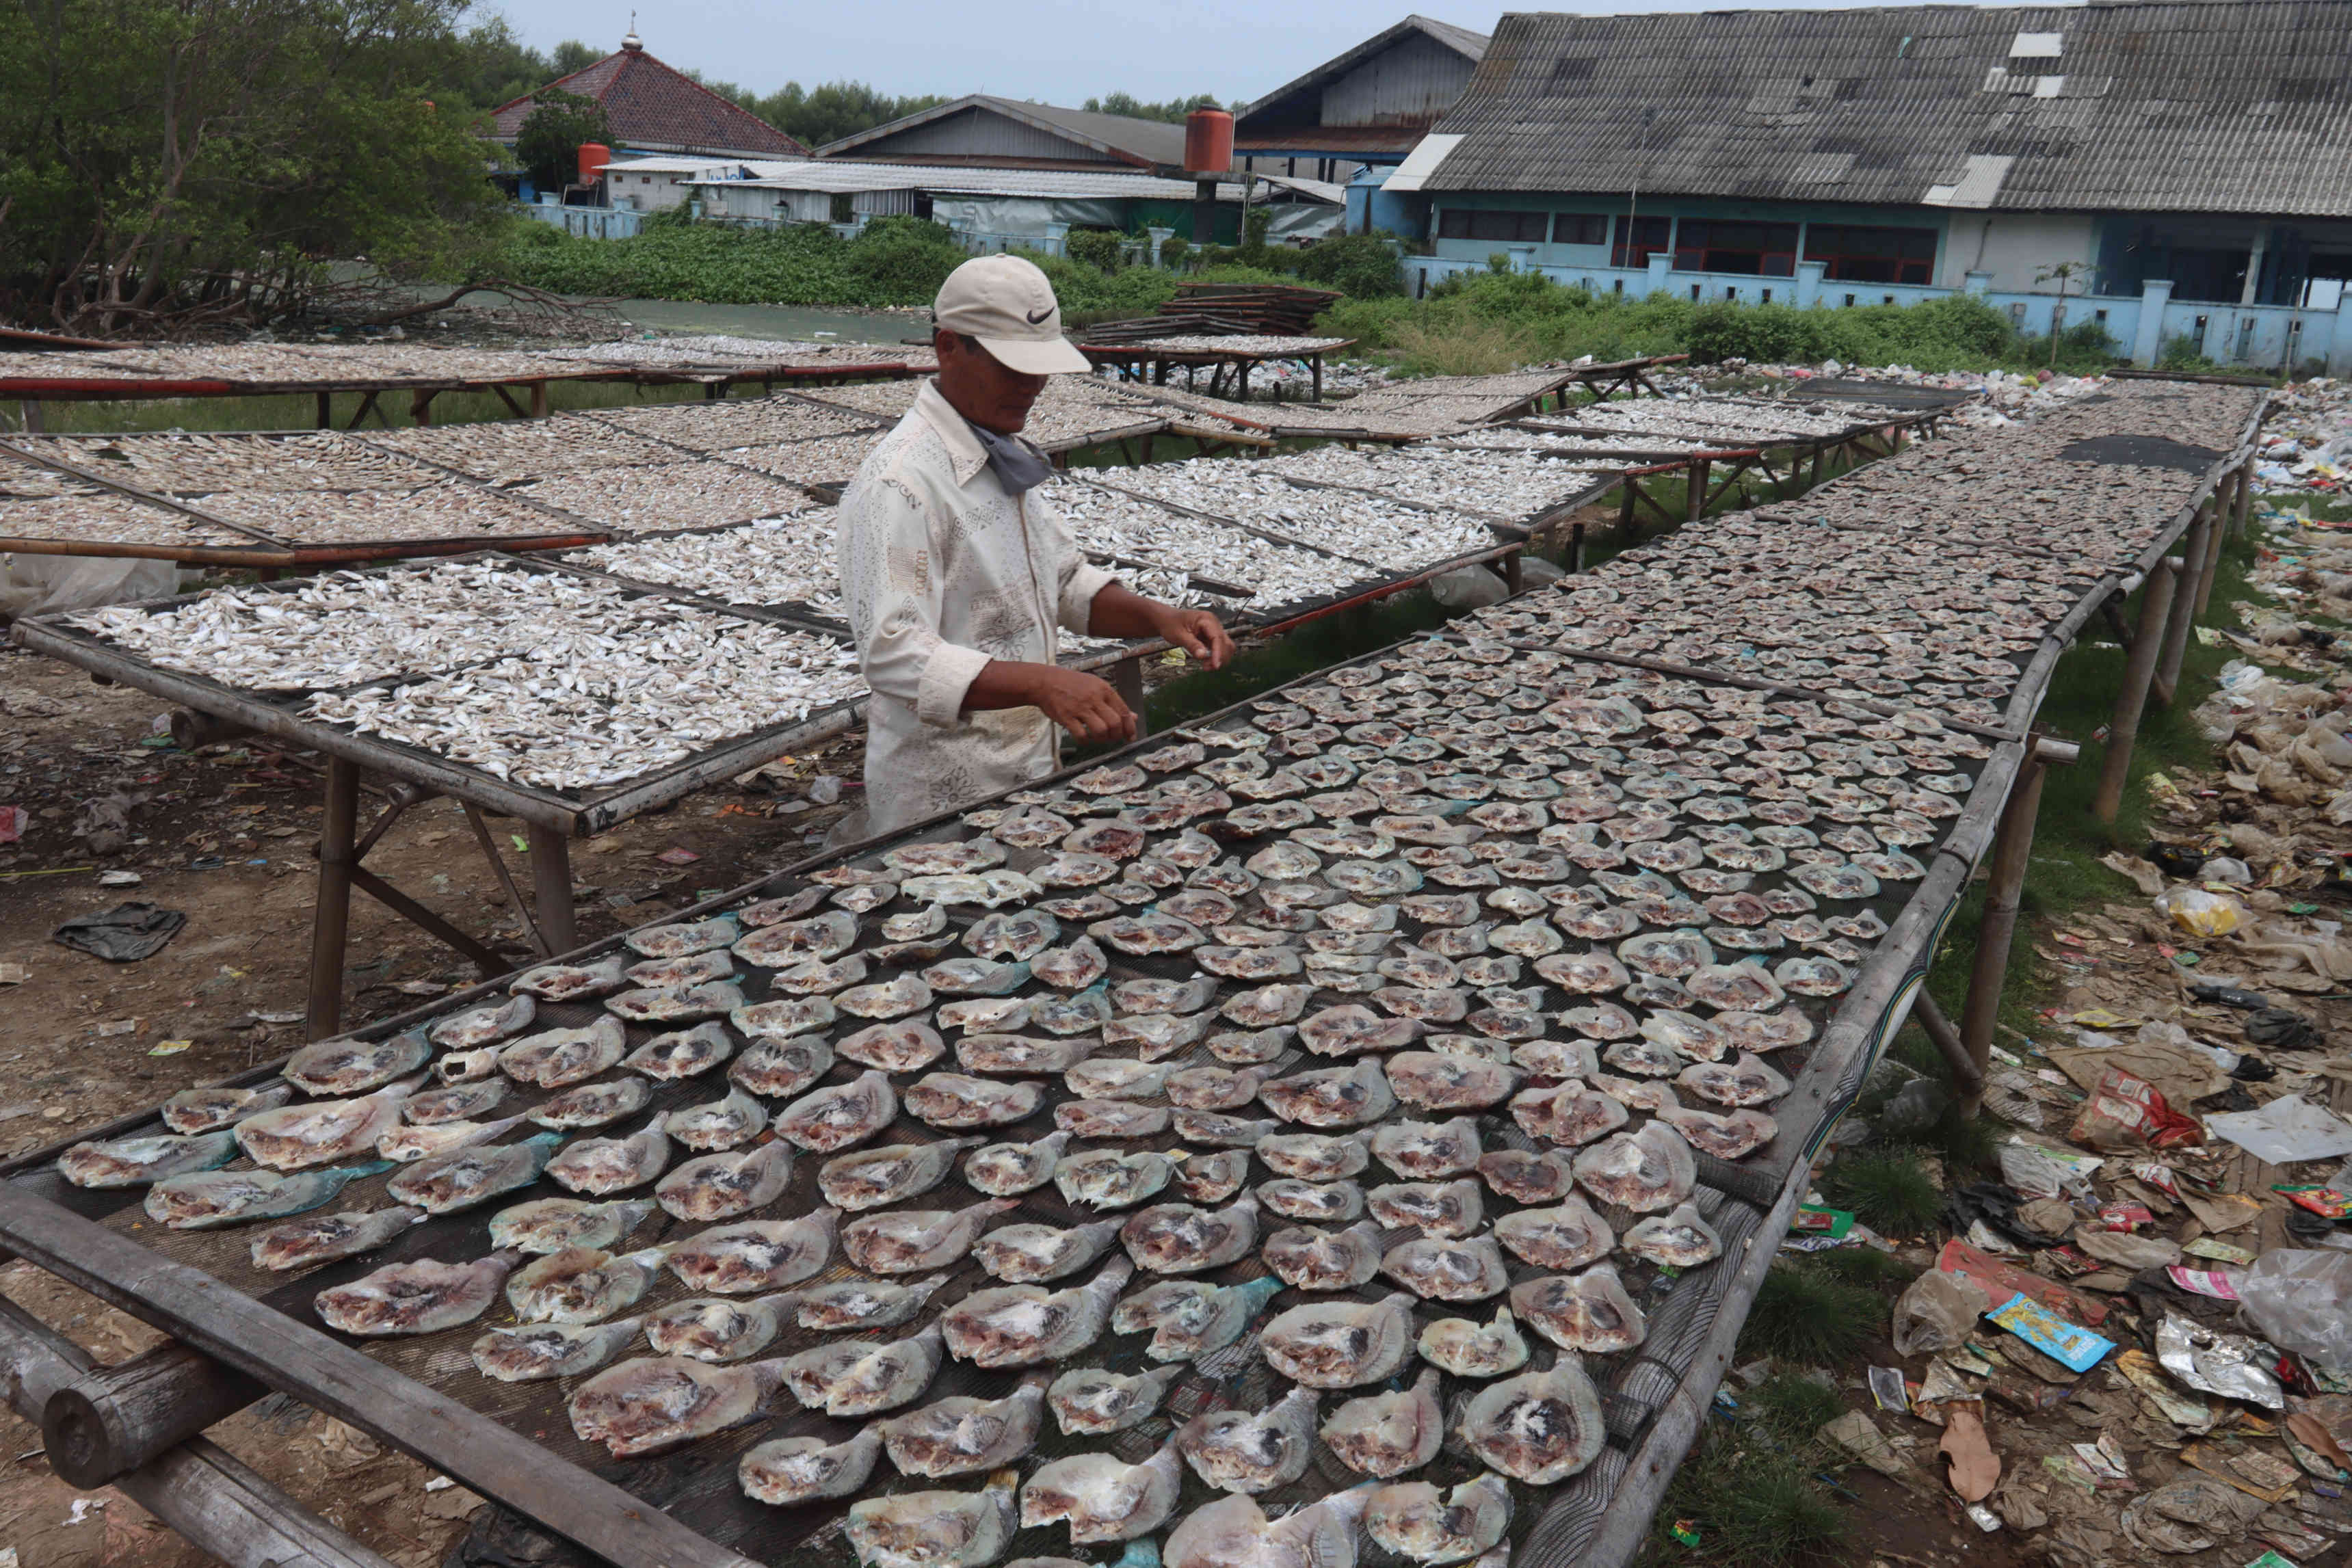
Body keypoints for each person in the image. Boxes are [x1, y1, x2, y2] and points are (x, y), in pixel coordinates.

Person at [836, 254, 1234, 838]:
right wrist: (1044, 683)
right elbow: (892, 652)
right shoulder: (901, 482)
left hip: (1026, 775)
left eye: (1038, 368)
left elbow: (1063, 584)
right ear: (949, 347)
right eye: (1011, 367)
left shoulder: (998, 454)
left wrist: (1160, 617)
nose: (1033, 386)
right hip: (942, 796)